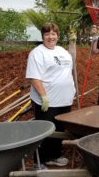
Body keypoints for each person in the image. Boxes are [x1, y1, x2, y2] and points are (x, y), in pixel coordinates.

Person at [26, 22, 75, 166]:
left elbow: (72, 62)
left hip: (65, 100)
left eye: (53, 34)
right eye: (47, 34)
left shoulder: (62, 51)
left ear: (58, 36)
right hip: (47, 101)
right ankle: (39, 161)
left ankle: (55, 155)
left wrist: (72, 43)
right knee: (44, 131)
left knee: (59, 129)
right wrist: (43, 96)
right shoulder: (37, 53)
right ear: (42, 36)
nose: (50, 37)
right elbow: (34, 77)